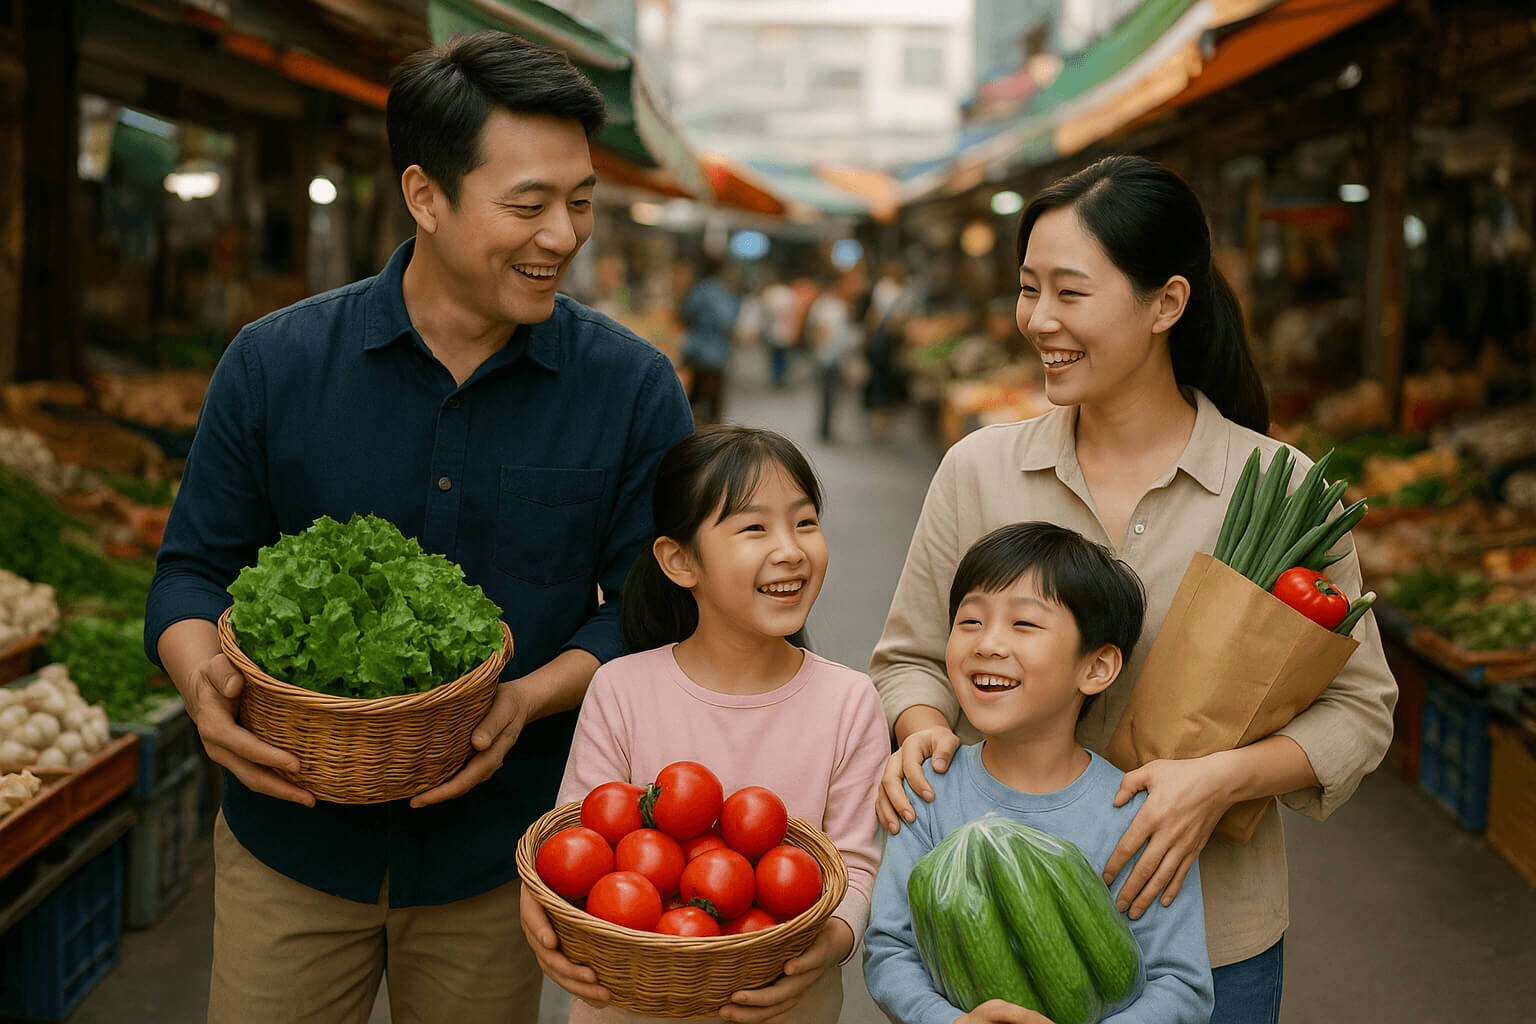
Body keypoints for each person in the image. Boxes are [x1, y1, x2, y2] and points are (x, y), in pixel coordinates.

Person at [143, 31, 693, 1023]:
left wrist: (526, 698)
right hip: (290, 845)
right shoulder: (274, 365)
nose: (562, 236)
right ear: (426, 195)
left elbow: (650, 614)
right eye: (527, 205)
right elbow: (190, 573)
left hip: (502, 858)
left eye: (579, 204)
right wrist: (201, 682)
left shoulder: (632, 387)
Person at [869, 155, 1396, 1024]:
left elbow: (1362, 709)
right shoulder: (979, 470)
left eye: (1070, 294)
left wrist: (1218, 781)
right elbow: (910, 657)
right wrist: (923, 736)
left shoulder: (1280, 491)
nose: (1039, 321)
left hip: (1206, 948)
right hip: (987, 936)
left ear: (1167, 304)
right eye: (1028, 288)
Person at [521, 425, 890, 1024]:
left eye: (804, 522)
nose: (791, 549)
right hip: (630, 1004)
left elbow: (855, 866)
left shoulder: (850, 700)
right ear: (680, 561)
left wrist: (829, 945)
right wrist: (543, 915)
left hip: (783, 1005)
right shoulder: (621, 688)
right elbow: (576, 845)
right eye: (754, 528)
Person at [864, 522, 1214, 1023]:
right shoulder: (926, 789)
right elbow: (890, 950)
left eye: (1024, 625)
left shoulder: (1136, 813)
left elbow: (1181, 984)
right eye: (970, 622)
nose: (988, 644)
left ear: (1096, 667)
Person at [807, 266, 866, 443]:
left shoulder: (843, 306)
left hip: (837, 358)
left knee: (833, 396)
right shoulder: (828, 305)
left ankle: (827, 429)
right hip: (827, 358)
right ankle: (825, 431)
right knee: (828, 395)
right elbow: (820, 331)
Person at [681, 258, 741, 424]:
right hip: (714, 352)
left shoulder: (698, 289)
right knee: (712, 400)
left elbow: (687, 312)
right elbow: (727, 319)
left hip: (696, 348)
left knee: (693, 395)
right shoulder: (718, 291)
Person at [863, 260, 918, 438]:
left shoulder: (888, 288)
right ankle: (879, 411)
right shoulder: (891, 289)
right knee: (881, 375)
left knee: (883, 375)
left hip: (887, 340)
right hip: (887, 340)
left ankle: (880, 411)